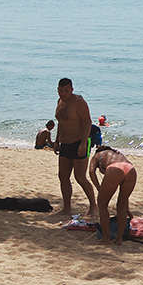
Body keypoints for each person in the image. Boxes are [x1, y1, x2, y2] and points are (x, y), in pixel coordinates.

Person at [54, 78, 97, 220]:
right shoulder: (59, 102)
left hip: (80, 142)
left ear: (71, 89)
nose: (63, 93)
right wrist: (57, 140)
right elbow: (60, 123)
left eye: (66, 91)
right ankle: (67, 208)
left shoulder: (79, 102)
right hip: (65, 143)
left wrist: (84, 143)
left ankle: (93, 206)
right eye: (60, 91)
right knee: (63, 176)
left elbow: (87, 122)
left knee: (80, 177)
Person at [88, 146, 136, 246]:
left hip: (115, 169)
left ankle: (106, 238)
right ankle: (119, 239)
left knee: (102, 204)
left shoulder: (97, 155)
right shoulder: (117, 153)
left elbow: (91, 172)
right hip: (131, 169)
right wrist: (127, 211)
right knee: (122, 205)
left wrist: (98, 187)